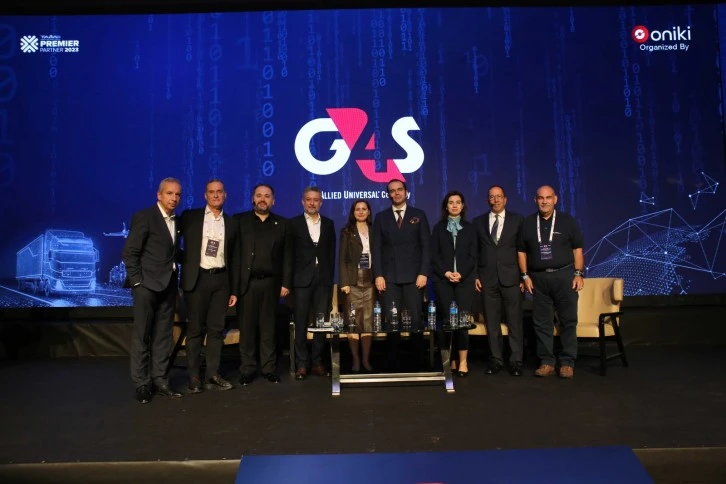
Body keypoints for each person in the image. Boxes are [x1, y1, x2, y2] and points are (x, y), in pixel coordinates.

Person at [122, 177, 184, 403]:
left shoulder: (176, 221)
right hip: (146, 286)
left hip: (168, 286)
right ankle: (142, 384)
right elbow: (130, 252)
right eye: (169, 193)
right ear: (159, 195)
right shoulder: (145, 216)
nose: (174, 198)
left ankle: (160, 380)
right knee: (142, 336)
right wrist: (137, 283)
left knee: (163, 336)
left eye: (177, 194)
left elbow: (172, 253)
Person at [517, 184, 585, 379]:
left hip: (565, 277)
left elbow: (577, 249)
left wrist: (578, 273)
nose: (544, 201)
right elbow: (521, 252)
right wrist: (525, 276)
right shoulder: (528, 223)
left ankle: (567, 362)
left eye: (548, 197)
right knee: (542, 323)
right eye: (540, 198)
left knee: (568, 321)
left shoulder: (567, 221)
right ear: (535, 200)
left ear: (555, 199)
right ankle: (546, 362)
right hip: (538, 279)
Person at [179, 179, 239, 394]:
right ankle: (194, 377)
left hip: (221, 280)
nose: (215, 195)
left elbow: (235, 258)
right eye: (211, 192)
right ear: (205, 195)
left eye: (219, 192)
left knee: (216, 330)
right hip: (197, 279)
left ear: (225, 195)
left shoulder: (231, 223)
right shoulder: (190, 217)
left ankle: (212, 374)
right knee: (195, 330)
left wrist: (234, 289)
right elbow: (171, 240)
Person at [234, 183, 293, 385]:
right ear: (253, 199)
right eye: (259, 195)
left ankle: (269, 368)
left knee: (269, 329)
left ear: (273, 200)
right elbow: (233, 255)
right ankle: (247, 369)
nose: (262, 199)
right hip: (247, 284)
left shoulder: (282, 224)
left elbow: (287, 257)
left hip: (271, 284)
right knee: (247, 329)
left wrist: (286, 283)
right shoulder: (239, 221)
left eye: (267, 196)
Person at [372, 178, 430, 371]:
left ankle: (419, 364)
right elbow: (376, 248)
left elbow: (426, 246)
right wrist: (378, 275)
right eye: (392, 191)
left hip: (414, 278)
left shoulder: (418, 215)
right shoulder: (381, 217)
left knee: (416, 321)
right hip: (389, 278)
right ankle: (393, 364)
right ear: (388, 194)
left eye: (399, 190)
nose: (396, 193)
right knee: (392, 322)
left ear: (406, 192)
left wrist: (423, 272)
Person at [473, 185, 525, 377]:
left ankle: (516, 361)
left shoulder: (518, 220)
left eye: (499, 196)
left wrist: (524, 276)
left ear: (505, 199)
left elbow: (523, 250)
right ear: (488, 200)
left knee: (514, 322)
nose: (495, 200)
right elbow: (475, 252)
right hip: (487, 280)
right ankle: (496, 360)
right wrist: (476, 276)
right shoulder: (478, 222)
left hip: (512, 278)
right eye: (492, 197)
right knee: (492, 323)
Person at [290, 186, 336, 380]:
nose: (312, 203)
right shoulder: (293, 224)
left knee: (321, 323)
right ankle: (301, 364)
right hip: (301, 280)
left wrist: (329, 278)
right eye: (308, 199)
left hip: (323, 280)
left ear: (321, 202)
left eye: (316, 200)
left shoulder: (329, 224)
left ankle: (317, 362)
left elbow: (331, 253)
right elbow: (289, 254)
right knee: (300, 322)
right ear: (303, 201)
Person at [430, 191, 478, 376]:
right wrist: (446, 272)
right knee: (447, 321)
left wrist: (461, 274)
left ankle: (463, 361)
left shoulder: (470, 228)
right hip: (443, 280)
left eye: (458, 202)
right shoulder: (438, 228)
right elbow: (434, 255)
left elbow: (473, 255)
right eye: (451, 202)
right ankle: (450, 359)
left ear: (463, 205)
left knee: (462, 321)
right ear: (446, 206)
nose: (455, 205)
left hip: (465, 281)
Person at [339, 199, 375, 373]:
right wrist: (344, 282)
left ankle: (366, 360)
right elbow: (342, 259)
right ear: (353, 212)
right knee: (352, 323)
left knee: (367, 323)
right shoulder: (347, 231)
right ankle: (355, 360)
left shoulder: (375, 230)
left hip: (370, 281)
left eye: (364, 209)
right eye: (357, 209)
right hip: (352, 282)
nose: (361, 212)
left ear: (369, 212)